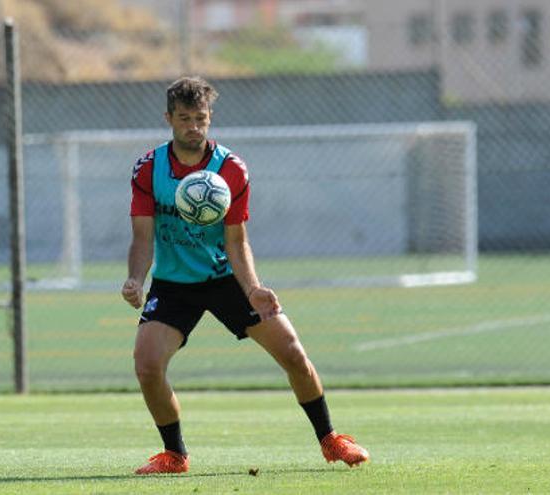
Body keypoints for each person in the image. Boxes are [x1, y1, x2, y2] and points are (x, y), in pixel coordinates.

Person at [121, 76, 369, 475]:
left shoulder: (231, 170)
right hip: (174, 285)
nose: (193, 126)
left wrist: (252, 289)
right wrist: (136, 279)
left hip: (226, 279)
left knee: (293, 353)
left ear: (210, 117)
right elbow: (142, 238)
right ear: (168, 119)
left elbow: (237, 241)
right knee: (147, 366)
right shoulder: (149, 170)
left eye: (200, 118)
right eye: (184, 118)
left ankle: (331, 439)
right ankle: (175, 455)